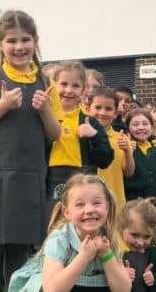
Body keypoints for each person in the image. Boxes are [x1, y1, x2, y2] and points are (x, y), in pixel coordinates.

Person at [0, 10, 63, 291]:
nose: (19, 47)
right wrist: (3, 105)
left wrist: (45, 108)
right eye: (12, 41)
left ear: (35, 41)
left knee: (20, 252)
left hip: (30, 176)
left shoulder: (46, 83)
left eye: (25, 40)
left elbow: (54, 133)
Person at [9, 173, 132, 292]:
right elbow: (52, 290)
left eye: (96, 203)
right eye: (80, 204)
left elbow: (123, 289)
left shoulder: (110, 237)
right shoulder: (59, 239)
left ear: (107, 207)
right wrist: (83, 257)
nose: (89, 210)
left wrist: (107, 255)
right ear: (67, 212)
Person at [47, 61, 114, 203]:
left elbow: (105, 160)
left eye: (75, 85)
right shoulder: (44, 115)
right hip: (48, 179)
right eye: (64, 84)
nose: (69, 90)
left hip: (81, 179)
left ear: (83, 90)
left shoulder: (89, 121)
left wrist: (95, 136)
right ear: (53, 85)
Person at [86, 86, 135, 210]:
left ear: (115, 113)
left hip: (114, 205)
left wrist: (127, 151)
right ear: (87, 109)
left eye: (108, 109)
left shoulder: (121, 138)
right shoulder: (81, 134)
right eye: (97, 107)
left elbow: (129, 172)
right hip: (86, 203)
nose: (102, 113)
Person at [118, 198, 156, 292]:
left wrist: (154, 279)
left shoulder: (152, 253)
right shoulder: (114, 249)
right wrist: (120, 275)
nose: (140, 243)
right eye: (135, 235)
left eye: (147, 237)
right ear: (122, 227)